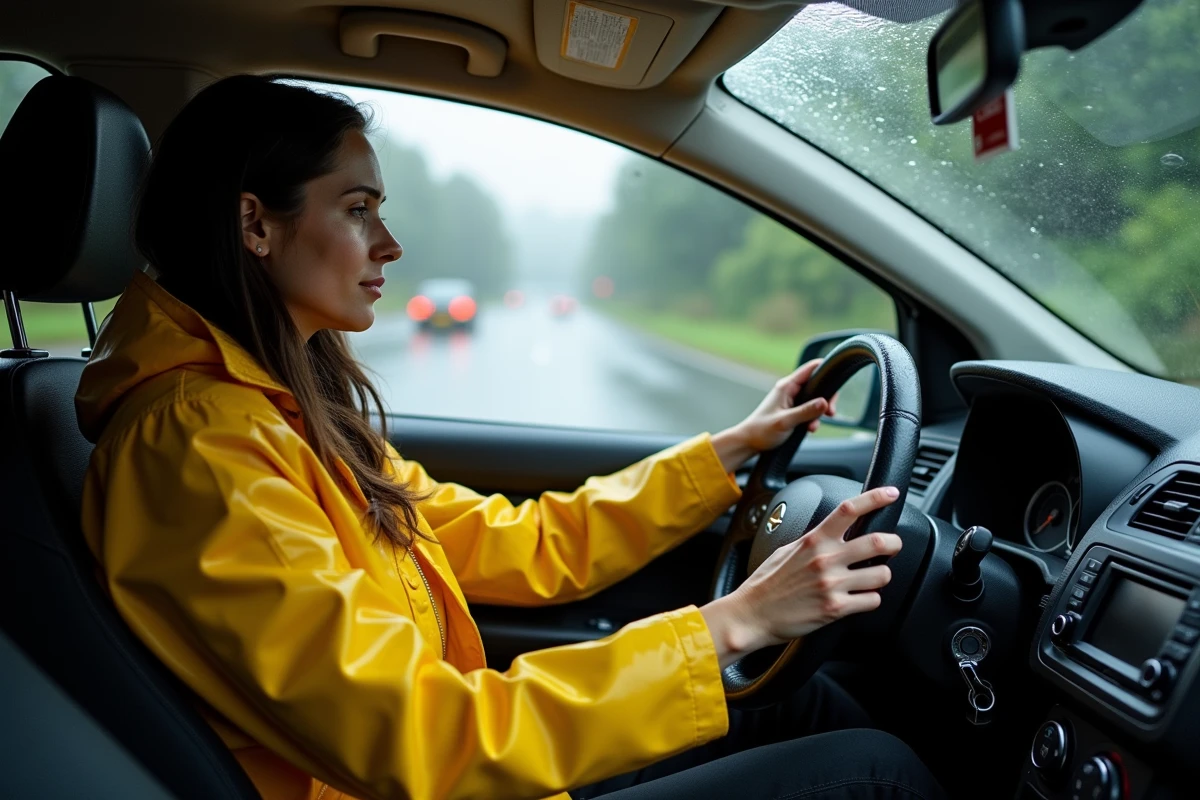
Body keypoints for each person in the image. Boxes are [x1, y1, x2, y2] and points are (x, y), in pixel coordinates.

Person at [75, 75, 945, 800]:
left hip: (473, 770)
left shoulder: (285, 412)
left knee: (804, 704)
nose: (391, 243)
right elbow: (421, 739)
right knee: (875, 773)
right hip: (441, 774)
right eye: (357, 209)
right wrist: (734, 621)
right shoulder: (198, 451)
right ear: (255, 224)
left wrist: (726, 454)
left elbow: (518, 543)